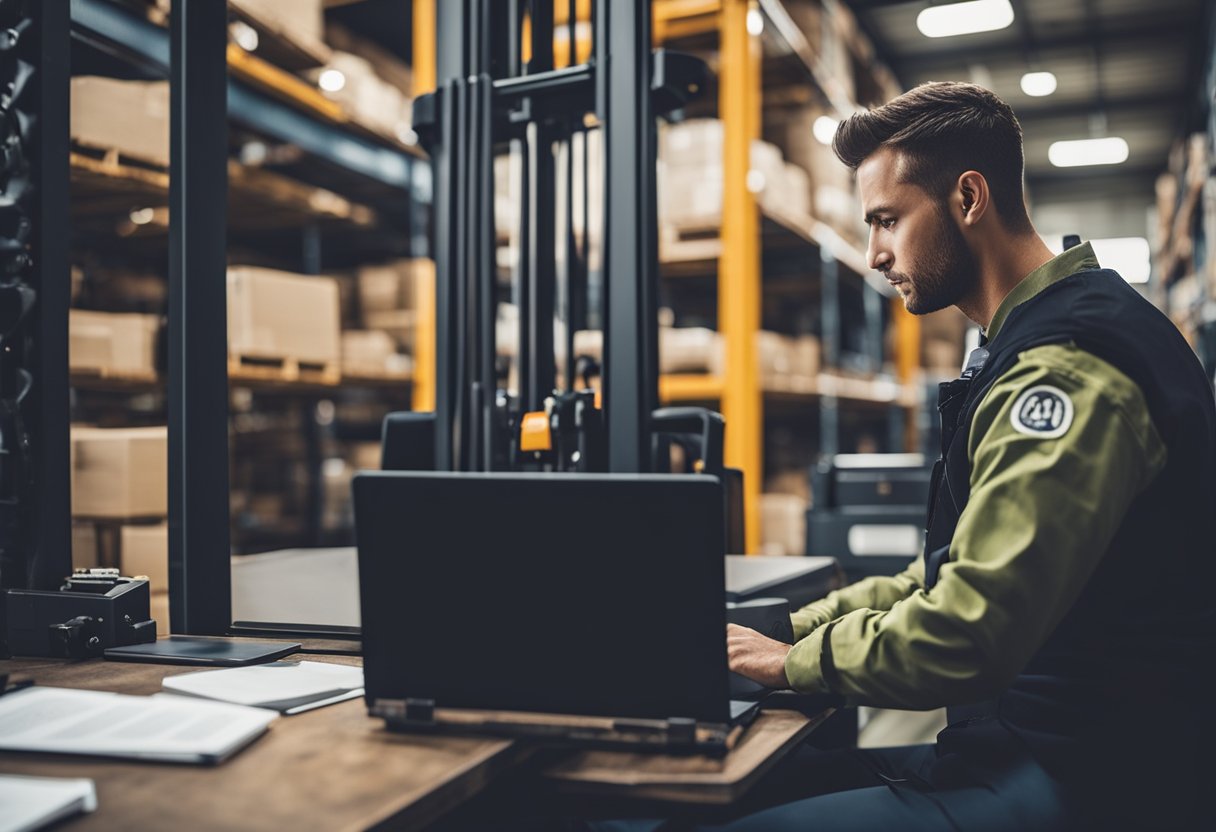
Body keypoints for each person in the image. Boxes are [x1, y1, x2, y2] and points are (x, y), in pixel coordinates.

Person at [717, 81, 1216, 830]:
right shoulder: (1027, 341)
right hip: (1022, 742)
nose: (876, 252)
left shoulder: (1068, 366)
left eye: (887, 220)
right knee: (756, 788)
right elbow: (942, 571)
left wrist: (784, 665)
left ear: (968, 198)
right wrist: (788, 626)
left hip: (1090, 774)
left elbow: (965, 630)